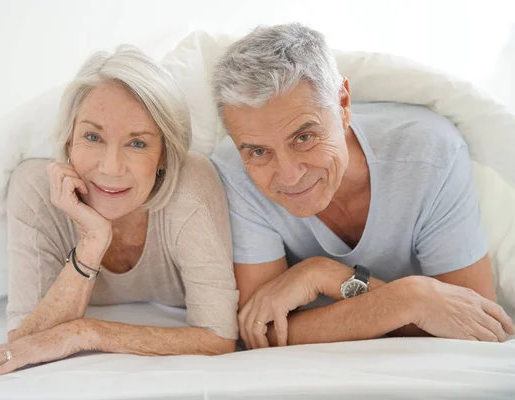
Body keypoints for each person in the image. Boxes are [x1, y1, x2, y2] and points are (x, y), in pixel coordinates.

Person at [209, 23, 515, 350]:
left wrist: (326, 276)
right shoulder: (234, 171)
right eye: (259, 151)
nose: (288, 176)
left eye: (304, 137)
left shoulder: (429, 156)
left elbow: (478, 321)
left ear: (342, 104)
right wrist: (409, 299)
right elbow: (262, 329)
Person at [0, 45, 239, 377]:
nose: (111, 167)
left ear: (164, 154)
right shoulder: (35, 188)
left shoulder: (191, 183)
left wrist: (85, 332)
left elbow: (217, 338)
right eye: (92, 136)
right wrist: (92, 240)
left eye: (137, 143)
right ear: (67, 141)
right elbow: (26, 343)